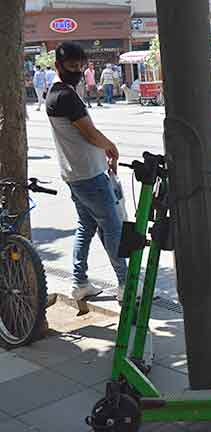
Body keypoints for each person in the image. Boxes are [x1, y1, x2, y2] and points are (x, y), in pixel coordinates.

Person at [45, 42, 127, 302]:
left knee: (86, 226)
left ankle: (80, 282)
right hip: (88, 175)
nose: (78, 71)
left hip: (75, 173)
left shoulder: (57, 93)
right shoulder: (66, 96)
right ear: (58, 66)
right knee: (112, 226)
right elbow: (90, 134)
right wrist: (111, 146)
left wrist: (104, 151)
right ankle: (127, 283)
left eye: (81, 66)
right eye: (72, 66)